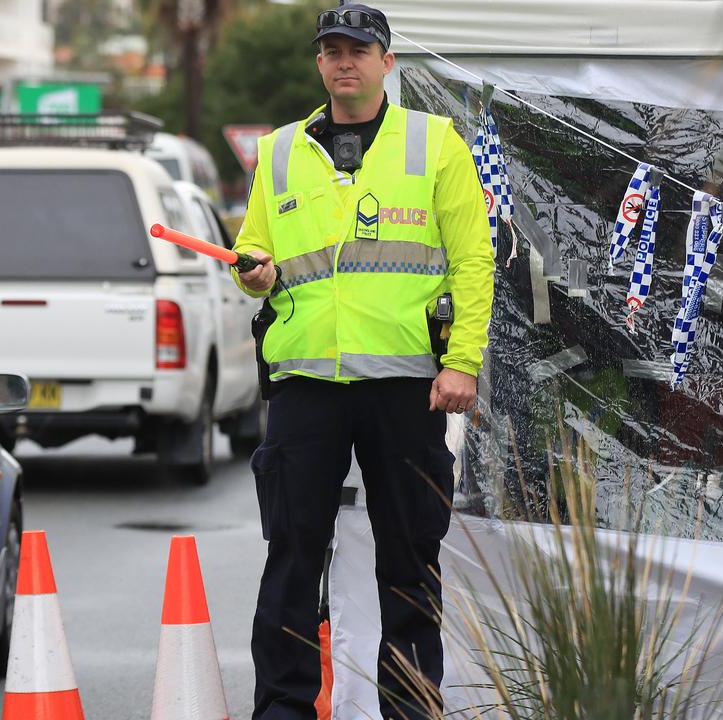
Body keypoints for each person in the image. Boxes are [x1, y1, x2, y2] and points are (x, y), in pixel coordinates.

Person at [232, 4, 495, 719]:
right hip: (305, 385)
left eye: (360, 49)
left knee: (409, 564)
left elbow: (474, 261)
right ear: (319, 63)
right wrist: (252, 273)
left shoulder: (435, 143)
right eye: (332, 51)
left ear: (387, 62)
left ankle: (409, 709)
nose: (344, 61)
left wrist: (462, 361)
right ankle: (282, 711)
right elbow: (255, 252)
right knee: (290, 561)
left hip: (409, 386)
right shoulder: (281, 150)